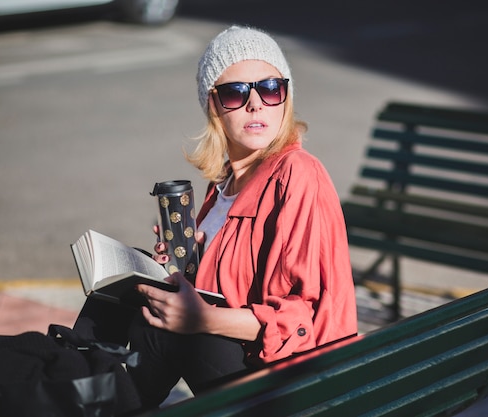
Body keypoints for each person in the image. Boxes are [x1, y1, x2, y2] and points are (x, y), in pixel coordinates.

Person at [74, 24, 357, 410]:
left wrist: (199, 320)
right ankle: (70, 381)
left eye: (270, 88)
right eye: (235, 93)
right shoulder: (224, 184)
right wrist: (183, 269)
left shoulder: (298, 173)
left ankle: (83, 400)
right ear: (214, 106)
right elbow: (225, 290)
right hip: (247, 364)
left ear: (285, 98)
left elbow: (303, 317)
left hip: (295, 386)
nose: (256, 104)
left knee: (163, 327)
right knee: (123, 290)